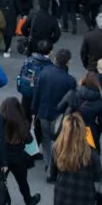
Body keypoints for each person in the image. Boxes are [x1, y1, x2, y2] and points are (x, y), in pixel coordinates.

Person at [33, 49, 78, 178]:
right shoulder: (70, 80)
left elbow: (37, 93)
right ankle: (54, 166)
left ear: (55, 59)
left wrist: (34, 110)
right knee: (58, 140)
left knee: (46, 139)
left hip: (43, 112)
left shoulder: (45, 73)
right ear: (68, 62)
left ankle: (48, 164)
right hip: (59, 115)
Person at [0, 97, 42, 205]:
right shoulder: (23, 123)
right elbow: (29, 140)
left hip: (3, 157)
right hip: (18, 157)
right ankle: (29, 201)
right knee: (22, 182)